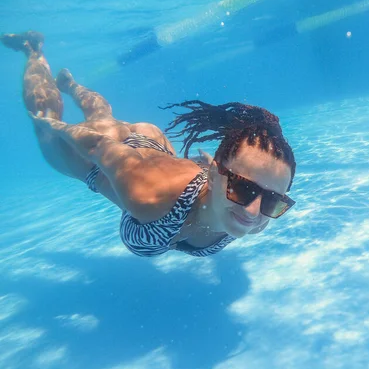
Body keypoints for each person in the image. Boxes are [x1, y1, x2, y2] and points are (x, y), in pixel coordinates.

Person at [1, 31, 296, 257]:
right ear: (216, 175)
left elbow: (241, 191)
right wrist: (57, 127)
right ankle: (33, 50)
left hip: (156, 152)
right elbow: (101, 150)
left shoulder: (245, 215)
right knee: (49, 125)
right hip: (102, 160)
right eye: (243, 189)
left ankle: (73, 86)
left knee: (105, 116)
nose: (254, 210)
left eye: (273, 201)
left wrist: (232, 183)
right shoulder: (150, 196)